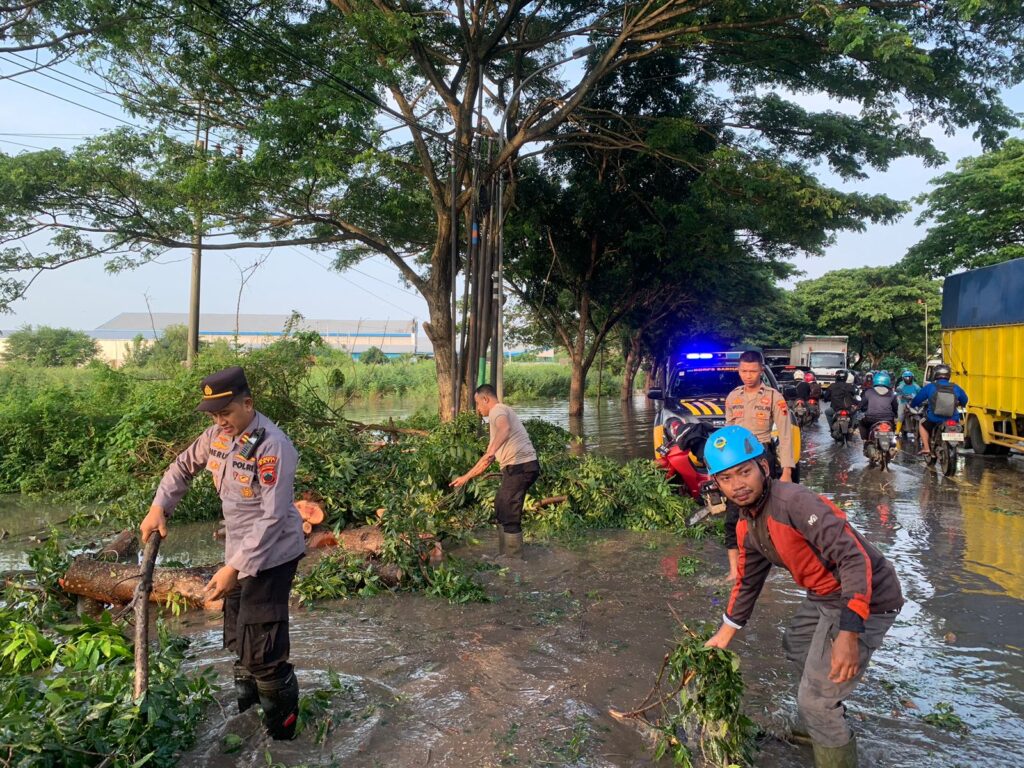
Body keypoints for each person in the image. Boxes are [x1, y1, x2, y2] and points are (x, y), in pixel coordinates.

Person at [702, 426, 904, 767]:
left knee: (816, 701)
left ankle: (824, 719)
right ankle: (819, 725)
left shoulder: (794, 502)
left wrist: (848, 634)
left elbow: (854, 559)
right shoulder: (746, 523)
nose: (737, 484)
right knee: (796, 643)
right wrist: (724, 634)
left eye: (744, 471)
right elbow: (748, 581)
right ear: (716, 485)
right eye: (725, 478)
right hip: (824, 596)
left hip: (867, 596)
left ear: (764, 468)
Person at [140, 366, 305, 740]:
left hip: (273, 553)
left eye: (226, 413)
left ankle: (283, 739)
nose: (219, 422)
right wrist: (158, 507)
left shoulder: (272, 445)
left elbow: (274, 516)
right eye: (214, 415)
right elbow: (182, 467)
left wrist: (234, 567)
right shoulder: (217, 436)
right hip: (237, 552)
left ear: (248, 403)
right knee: (237, 636)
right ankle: (248, 727)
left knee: (263, 646)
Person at [723, 351, 795, 580]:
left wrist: (787, 472)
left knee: (765, 512)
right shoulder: (733, 397)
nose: (748, 375)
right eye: (744, 371)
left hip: (762, 456)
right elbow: (726, 434)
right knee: (733, 513)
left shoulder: (774, 397)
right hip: (735, 459)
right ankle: (734, 570)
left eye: (753, 371)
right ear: (738, 370)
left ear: (761, 371)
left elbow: (785, 435)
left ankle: (770, 564)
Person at [451, 384, 539, 559]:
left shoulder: (497, 410)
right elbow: (486, 460)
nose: (478, 409)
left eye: (478, 404)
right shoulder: (496, 421)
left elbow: (505, 429)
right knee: (500, 505)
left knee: (509, 511)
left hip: (521, 466)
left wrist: (491, 452)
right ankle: (504, 554)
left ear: (486, 399)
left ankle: (514, 560)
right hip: (515, 468)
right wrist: (465, 478)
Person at [910, 364, 969, 456]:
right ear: (948, 375)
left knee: (922, 423)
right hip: (952, 418)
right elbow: (965, 400)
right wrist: (960, 403)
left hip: (934, 418)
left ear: (935, 374)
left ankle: (926, 448)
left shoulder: (930, 387)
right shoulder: (955, 387)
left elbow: (917, 400)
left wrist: (913, 405)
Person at [856, 371, 898, 441]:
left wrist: (858, 409)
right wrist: (895, 415)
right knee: (893, 426)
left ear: (875, 380)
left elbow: (861, 405)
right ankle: (891, 440)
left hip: (871, 419)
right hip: (888, 419)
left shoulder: (868, 392)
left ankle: (865, 439)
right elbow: (895, 408)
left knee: (860, 421)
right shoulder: (892, 394)